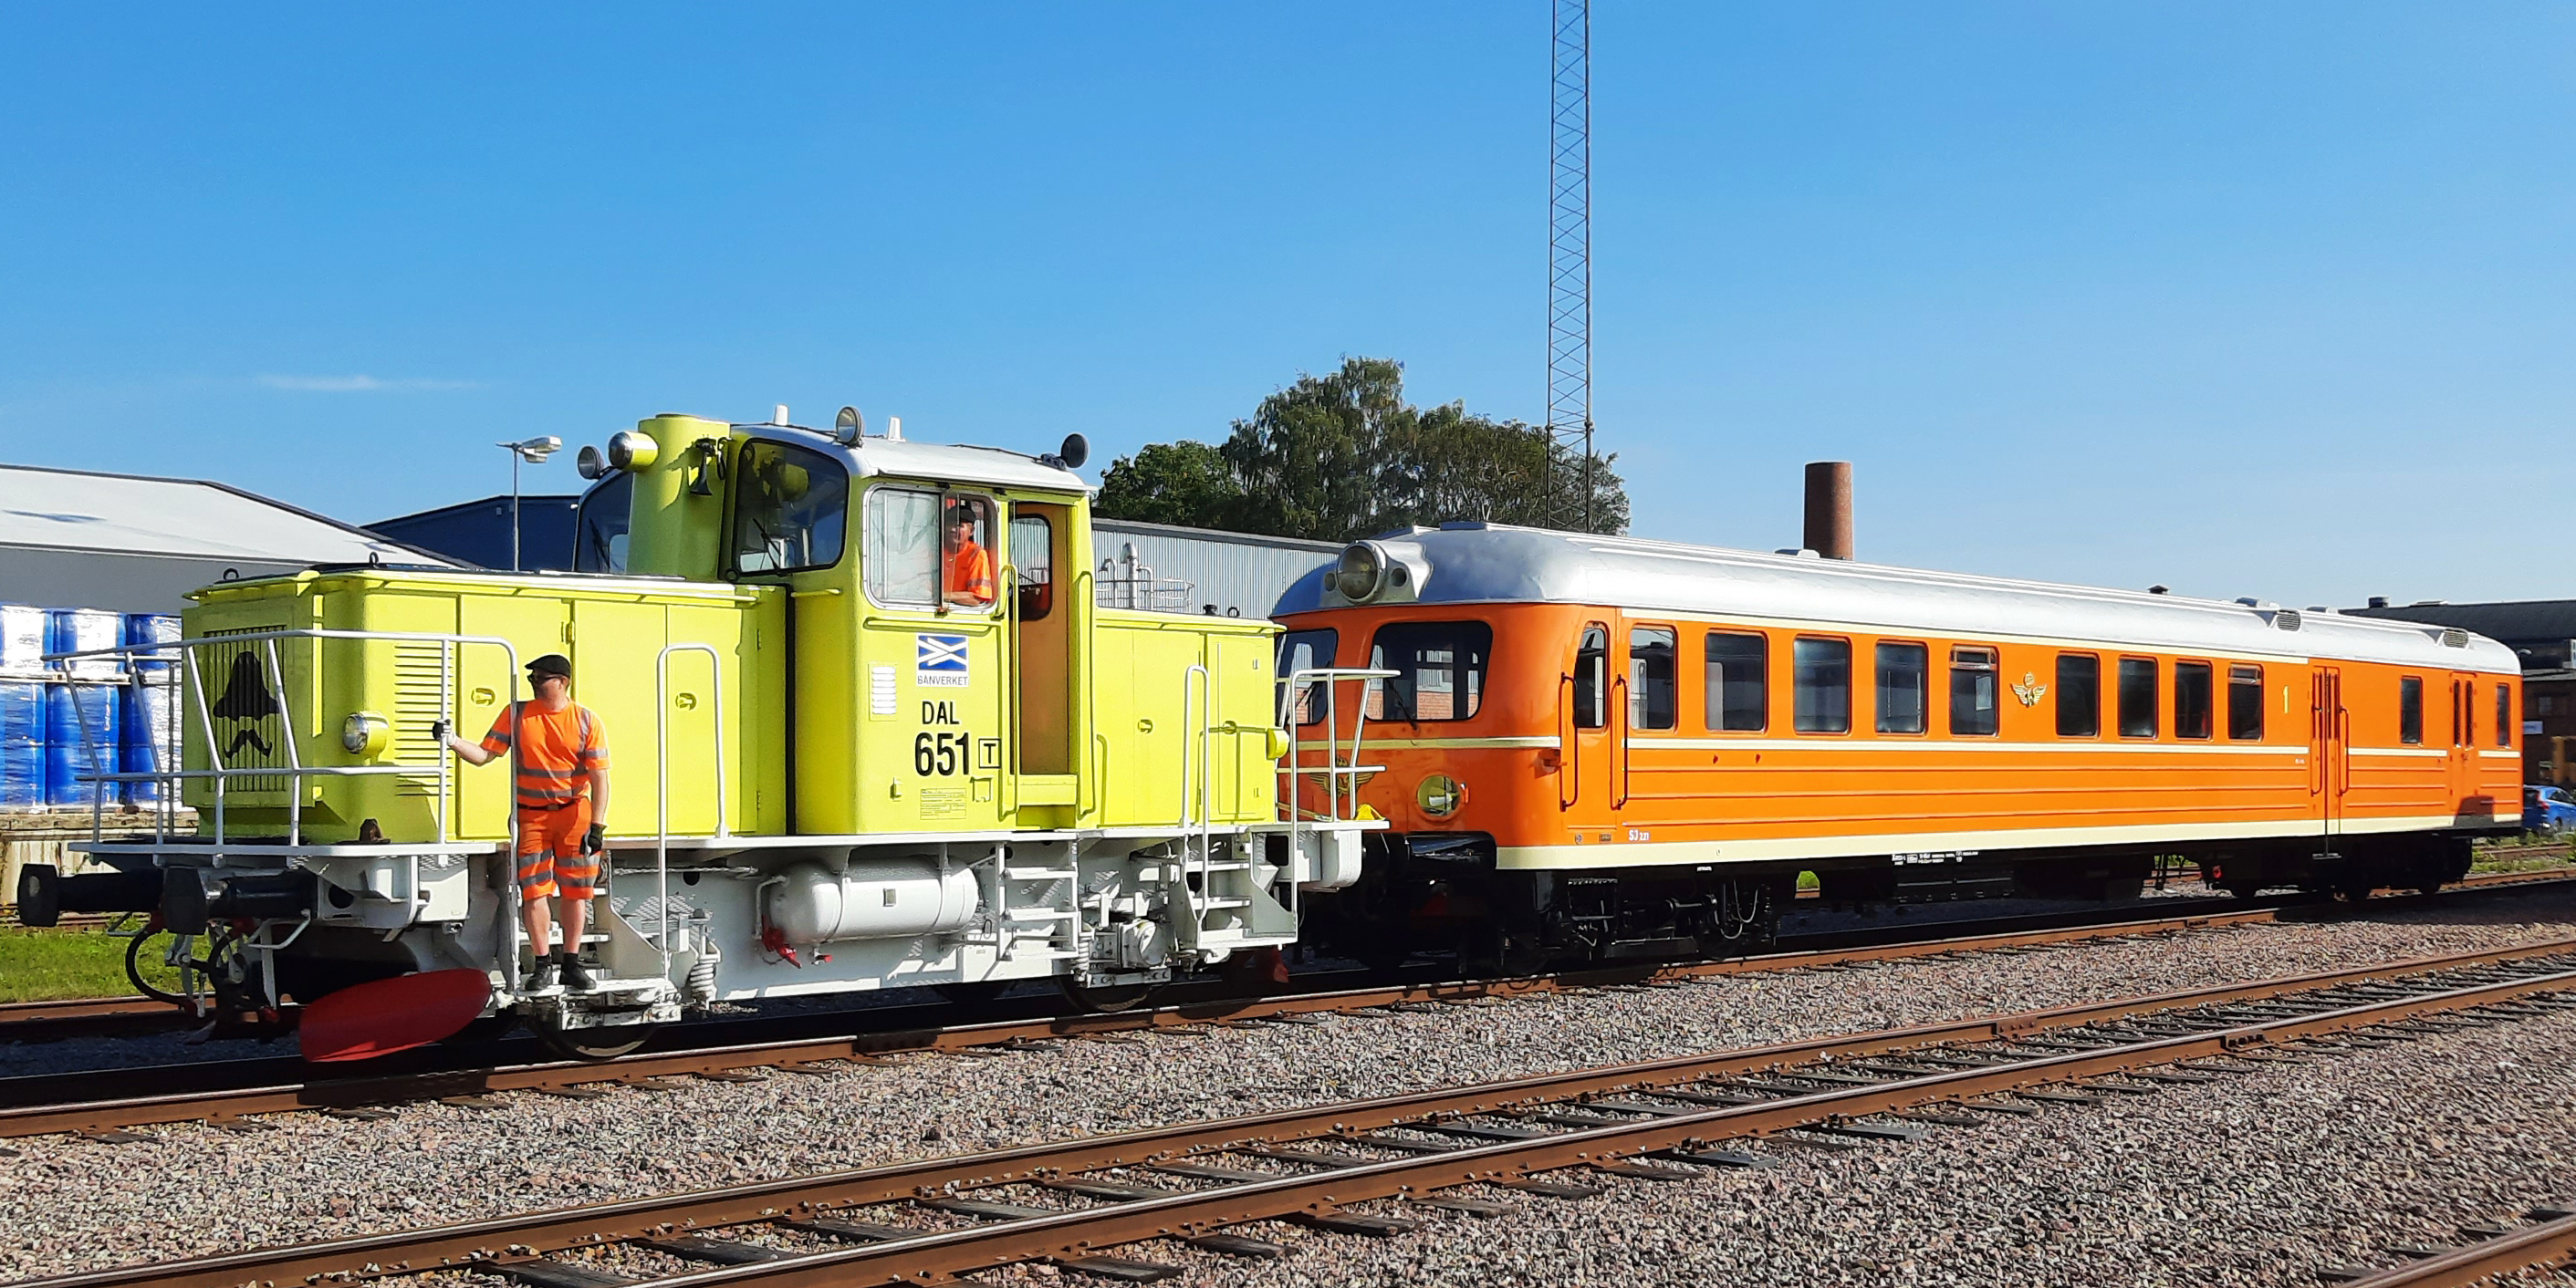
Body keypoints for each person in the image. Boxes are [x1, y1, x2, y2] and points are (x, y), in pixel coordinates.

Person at [432, 653, 610, 992]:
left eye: (542, 678)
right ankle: (543, 964)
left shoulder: (586, 720)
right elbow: (486, 755)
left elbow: (600, 779)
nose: (535, 683)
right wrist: (452, 740)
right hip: (531, 816)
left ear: (563, 682)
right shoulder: (517, 714)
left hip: (574, 814)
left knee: (577, 892)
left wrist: (597, 826)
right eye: (532, 678)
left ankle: (571, 963)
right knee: (534, 891)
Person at [943, 503, 995, 607]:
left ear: (971, 531)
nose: (952, 529)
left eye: (959, 526)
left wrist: (942, 597)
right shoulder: (936, 553)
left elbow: (977, 599)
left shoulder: (976, 554)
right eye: (949, 524)